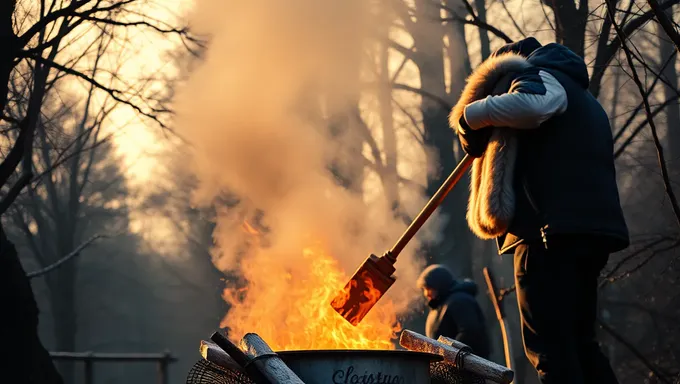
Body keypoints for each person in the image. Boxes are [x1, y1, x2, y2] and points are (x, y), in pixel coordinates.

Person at [449, 37, 629, 384]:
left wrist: (471, 114)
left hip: (547, 236)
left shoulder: (540, 75)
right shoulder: (584, 99)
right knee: (581, 346)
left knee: (550, 351)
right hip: (589, 234)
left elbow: (531, 107)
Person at [417, 264, 490, 359]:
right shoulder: (440, 305)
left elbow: (469, 331)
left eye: (429, 289)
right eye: (425, 289)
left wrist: (449, 354)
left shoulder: (460, 301)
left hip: (466, 365)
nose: (426, 294)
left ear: (439, 285)